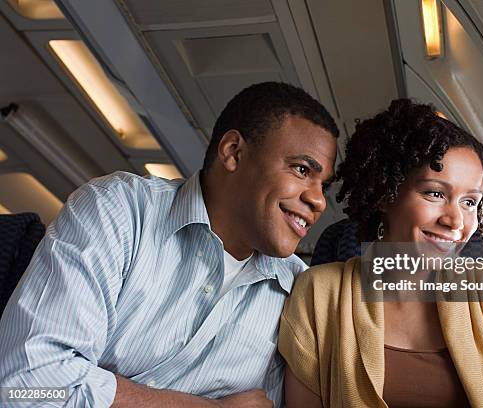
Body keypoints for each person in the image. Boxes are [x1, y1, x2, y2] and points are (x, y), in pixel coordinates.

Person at [0, 82, 338, 407]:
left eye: (324, 184)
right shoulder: (119, 210)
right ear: (233, 152)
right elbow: (27, 384)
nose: (319, 200)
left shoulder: (303, 294)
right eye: (301, 169)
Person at [279, 99, 483, 407]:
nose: (455, 220)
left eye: (470, 202)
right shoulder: (318, 293)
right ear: (385, 193)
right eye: (435, 193)